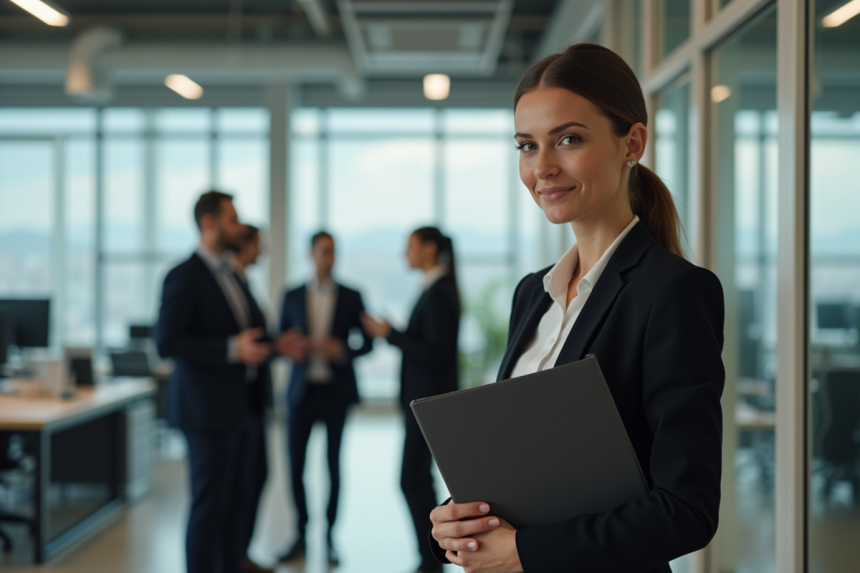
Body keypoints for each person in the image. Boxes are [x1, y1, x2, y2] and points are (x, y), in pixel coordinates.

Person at [427, 43, 725, 573]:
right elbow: (528, 472)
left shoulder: (673, 292)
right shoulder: (531, 294)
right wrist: (457, 521)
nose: (542, 167)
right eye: (525, 145)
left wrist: (523, 552)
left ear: (632, 142)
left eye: (568, 139)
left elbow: (687, 511)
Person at [155, 191, 275, 573]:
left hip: (242, 406)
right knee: (209, 505)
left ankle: (232, 564)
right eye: (232, 219)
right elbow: (167, 342)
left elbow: (246, 336)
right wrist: (229, 349)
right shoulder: (184, 275)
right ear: (209, 223)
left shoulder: (230, 275)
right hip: (207, 412)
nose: (239, 226)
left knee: (236, 499)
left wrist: (270, 346)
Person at [362, 227, 461, 573]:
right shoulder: (436, 290)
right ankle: (429, 557)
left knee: (410, 479)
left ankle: (430, 559)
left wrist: (390, 334)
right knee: (418, 478)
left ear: (430, 249)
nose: (405, 254)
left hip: (429, 405)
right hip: (425, 404)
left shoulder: (439, 294)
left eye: (410, 247)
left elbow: (433, 353)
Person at [276, 231, 374, 565]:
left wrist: (343, 349)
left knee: (333, 466)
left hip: (335, 392)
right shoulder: (290, 296)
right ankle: (300, 533)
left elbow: (368, 343)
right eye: (323, 252)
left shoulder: (352, 295)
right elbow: (280, 339)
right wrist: (290, 348)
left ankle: (330, 537)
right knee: (295, 467)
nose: (328, 258)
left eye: (333, 252)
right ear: (311, 254)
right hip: (300, 393)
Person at [231, 223, 274, 573]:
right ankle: (233, 556)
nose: (263, 251)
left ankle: (239, 553)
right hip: (229, 405)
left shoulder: (244, 283)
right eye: (258, 245)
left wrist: (276, 346)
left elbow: (255, 340)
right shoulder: (229, 282)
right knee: (236, 484)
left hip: (252, 401)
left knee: (256, 477)